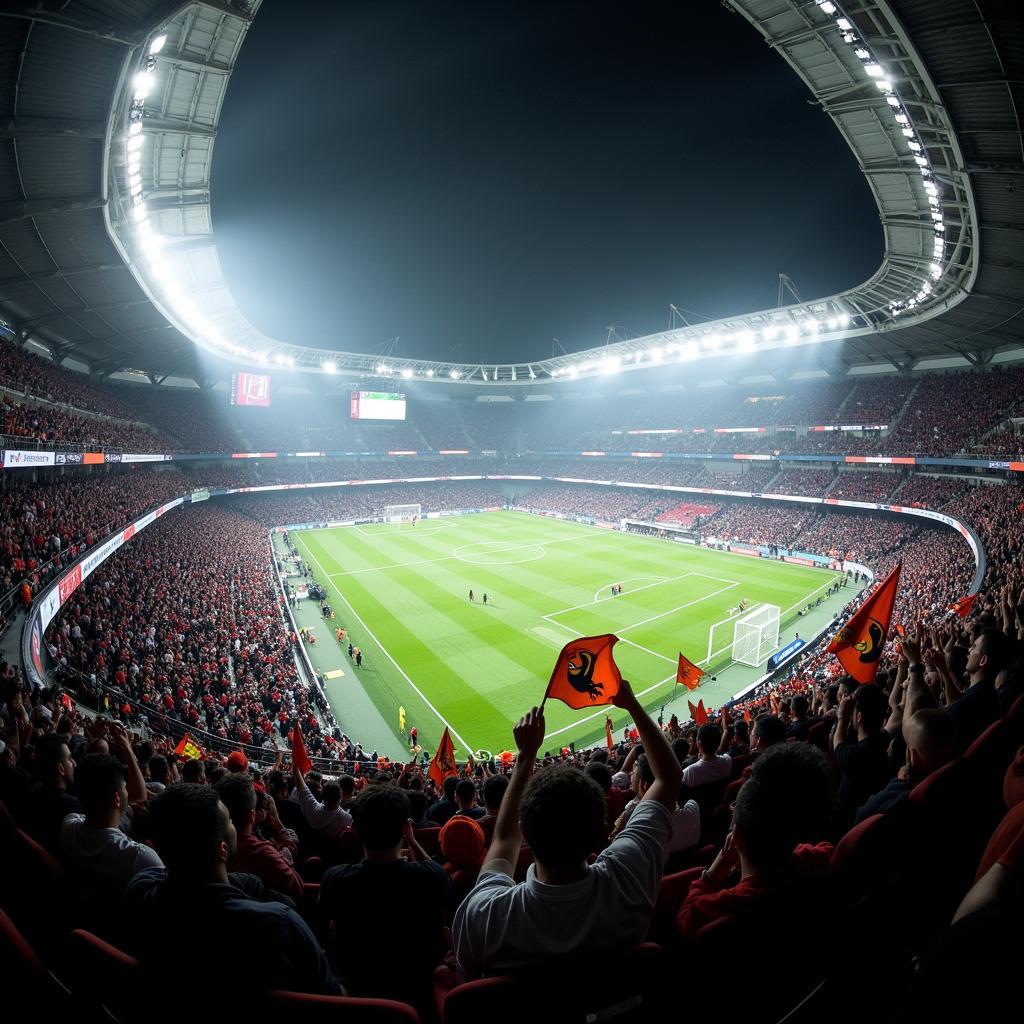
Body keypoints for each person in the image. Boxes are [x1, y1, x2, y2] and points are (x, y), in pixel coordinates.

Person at [453, 680, 682, 978]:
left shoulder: (488, 915)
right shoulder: (629, 878)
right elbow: (669, 779)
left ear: (526, 834)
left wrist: (525, 757)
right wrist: (632, 705)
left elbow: (504, 837)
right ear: (600, 831)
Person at [124, 785, 341, 1012]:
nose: (233, 825)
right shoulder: (279, 922)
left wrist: (247, 882)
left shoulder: (139, 888)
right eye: (229, 821)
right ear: (223, 850)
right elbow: (333, 997)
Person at [675, 743, 835, 940]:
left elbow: (686, 919)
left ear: (735, 836)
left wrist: (720, 864)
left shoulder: (726, 904)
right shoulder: (820, 857)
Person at [320, 784, 449, 1004]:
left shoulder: (335, 879)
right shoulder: (431, 877)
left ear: (355, 830)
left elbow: (324, 932)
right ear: (405, 829)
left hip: (357, 990)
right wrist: (412, 840)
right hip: (419, 993)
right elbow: (440, 875)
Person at [61, 751, 162, 889]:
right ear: (117, 799)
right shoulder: (141, 858)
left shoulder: (68, 825)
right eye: (125, 788)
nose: (127, 792)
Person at [216, 772, 304, 905]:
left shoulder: (207, 842)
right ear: (253, 815)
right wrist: (279, 826)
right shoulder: (262, 852)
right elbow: (297, 888)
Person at [291, 762, 353, 837]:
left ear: (322, 796)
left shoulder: (313, 809)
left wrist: (296, 767)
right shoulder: (347, 819)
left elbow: (302, 788)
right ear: (340, 798)